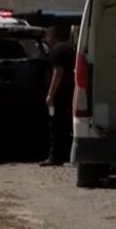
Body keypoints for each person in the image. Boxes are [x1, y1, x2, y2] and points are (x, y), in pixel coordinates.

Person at [41, 25, 75, 166]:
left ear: (51, 36)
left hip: (60, 94)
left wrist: (50, 94)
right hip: (73, 91)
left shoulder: (56, 51)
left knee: (56, 125)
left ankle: (55, 157)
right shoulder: (72, 48)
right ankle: (69, 154)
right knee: (69, 125)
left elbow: (58, 72)